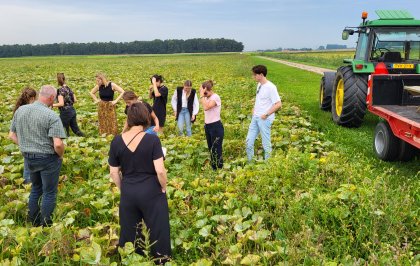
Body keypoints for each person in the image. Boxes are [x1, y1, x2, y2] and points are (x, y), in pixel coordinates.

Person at [108, 102, 170, 263]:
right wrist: (163, 187)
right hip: (151, 190)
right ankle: (160, 259)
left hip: (129, 189)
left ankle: (133, 259)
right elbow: (160, 170)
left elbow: (114, 172)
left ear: (129, 118)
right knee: (158, 227)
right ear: (146, 117)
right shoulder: (152, 140)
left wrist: (124, 188)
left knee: (130, 230)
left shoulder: (116, 141)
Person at [9, 85, 67, 226]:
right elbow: (58, 144)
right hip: (48, 159)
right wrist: (60, 156)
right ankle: (45, 225)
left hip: (28, 157)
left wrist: (25, 147)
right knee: (49, 192)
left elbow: (11, 135)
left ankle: (33, 221)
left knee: (35, 189)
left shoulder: (20, 110)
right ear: (52, 98)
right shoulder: (51, 115)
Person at [246, 65, 282, 162]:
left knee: (266, 144)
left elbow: (278, 104)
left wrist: (266, 114)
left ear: (261, 75)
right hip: (255, 117)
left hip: (264, 119)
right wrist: (254, 108)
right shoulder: (259, 85)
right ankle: (250, 163)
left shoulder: (271, 87)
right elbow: (259, 99)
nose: (253, 77)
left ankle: (268, 165)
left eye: (254, 75)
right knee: (248, 142)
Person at [12, 87, 37, 184]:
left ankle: (26, 191)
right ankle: (32, 192)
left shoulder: (18, 111)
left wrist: (22, 144)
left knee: (27, 169)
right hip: (35, 146)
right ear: (33, 98)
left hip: (24, 147)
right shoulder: (33, 111)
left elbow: (11, 135)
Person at [199, 80, 224, 170]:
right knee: (211, 147)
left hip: (216, 126)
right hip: (208, 126)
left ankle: (219, 167)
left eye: (205, 92)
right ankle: (214, 167)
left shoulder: (215, 97)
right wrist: (202, 94)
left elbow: (206, 107)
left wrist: (202, 95)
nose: (204, 94)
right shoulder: (206, 98)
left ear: (209, 89)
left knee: (216, 148)